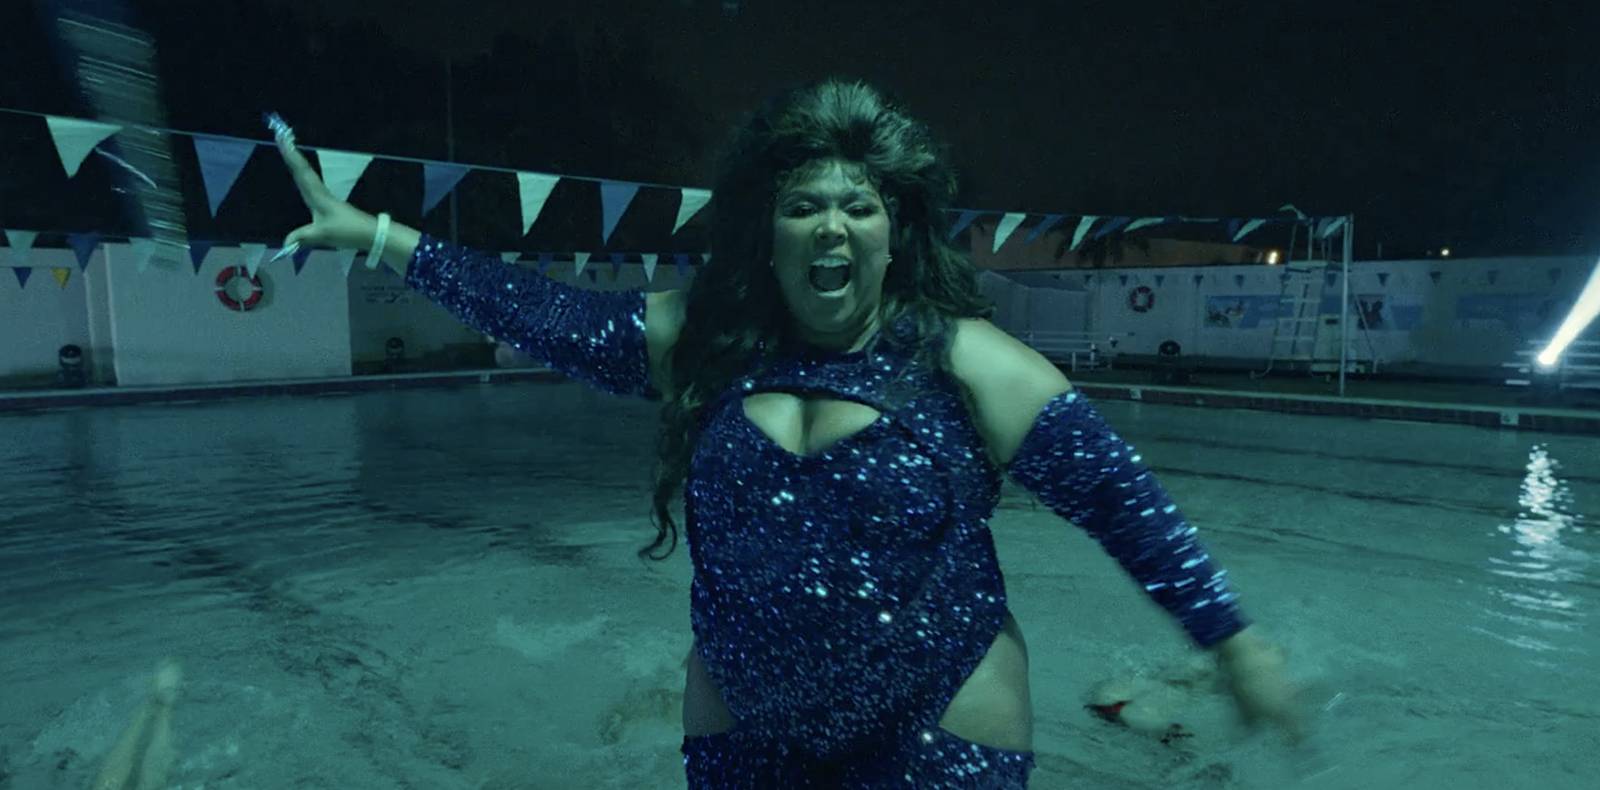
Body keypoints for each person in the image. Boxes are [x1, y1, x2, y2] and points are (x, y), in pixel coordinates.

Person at [268, 78, 1302, 788]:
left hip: (940, 717)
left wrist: (1231, 638)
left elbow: (1122, 503)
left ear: (895, 230)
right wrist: (378, 235)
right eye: (805, 205)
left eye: (859, 205)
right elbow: (549, 318)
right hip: (747, 726)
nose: (832, 226)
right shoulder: (703, 343)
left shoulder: (970, 364)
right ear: (767, 229)